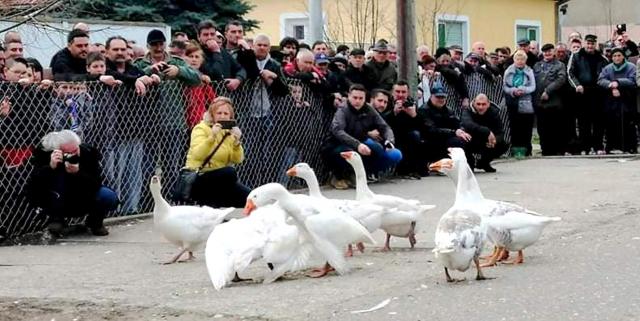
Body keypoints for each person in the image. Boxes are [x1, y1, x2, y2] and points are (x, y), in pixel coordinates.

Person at [25, 130, 117, 237]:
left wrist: (78, 173)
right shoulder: (46, 154)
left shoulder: (88, 152)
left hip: (84, 196)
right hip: (58, 199)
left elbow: (96, 184)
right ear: (58, 150)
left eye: (75, 150)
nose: (73, 154)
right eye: (68, 152)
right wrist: (50, 167)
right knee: (57, 181)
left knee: (108, 196)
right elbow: (34, 186)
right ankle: (56, 220)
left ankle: (95, 222)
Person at [323, 84, 402, 189]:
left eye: (361, 98)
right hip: (337, 145)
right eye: (355, 98)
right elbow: (338, 131)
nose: (358, 101)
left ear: (365, 99)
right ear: (349, 97)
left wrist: (389, 141)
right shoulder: (343, 110)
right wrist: (358, 145)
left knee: (387, 151)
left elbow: (385, 127)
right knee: (350, 152)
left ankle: (365, 174)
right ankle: (338, 176)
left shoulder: (369, 109)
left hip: (361, 141)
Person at [185, 97, 250, 207]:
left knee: (251, 198)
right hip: (200, 176)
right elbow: (197, 154)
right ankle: (210, 208)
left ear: (230, 116)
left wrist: (237, 142)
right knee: (229, 172)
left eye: (226, 113)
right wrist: (212, 136)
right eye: (219, 113)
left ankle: (213, 206)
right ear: (212, 115)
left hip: (220, 179)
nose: (223, 116)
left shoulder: (229, 131)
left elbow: (238, 159)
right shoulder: (201, 128)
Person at [568, 34, 609, 155]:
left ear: (595, 44)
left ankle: (598, 147)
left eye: (592, 44)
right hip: (583, 92)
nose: (590, 46)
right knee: (583, 122)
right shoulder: (576, 56)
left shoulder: (602, 58)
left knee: (598, 122)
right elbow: (570, 73)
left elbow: (607, 73)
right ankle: (584, 147)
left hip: (598, 93)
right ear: (584, 43)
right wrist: (577, 85)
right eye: (588, 43)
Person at [597, 48, 637, 153]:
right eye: (614, 56)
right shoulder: (608, 68)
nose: (617, 58)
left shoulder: (631, 67)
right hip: (611, 101)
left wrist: (618, 82)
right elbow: (601, 80)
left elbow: (633, 81)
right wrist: (611, 85)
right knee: (611, 124)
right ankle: (612, 147)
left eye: (619, 55)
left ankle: (629, 147)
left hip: (627, 100)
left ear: (623, 56)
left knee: (627, 124)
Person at [384, 81, 428, 178]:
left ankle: (415, 169)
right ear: (392, 92)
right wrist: (394, 113)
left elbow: (424, 127)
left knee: (415, 136)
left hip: (409, 136)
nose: (400, 95)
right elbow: (382, 123)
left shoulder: (412, 104)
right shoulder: (385, 102)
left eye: (403, 92)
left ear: (407, 93)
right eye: (398, 91)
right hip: (392, 137)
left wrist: (414, 116)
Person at [533, 44, 568, 156]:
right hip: (540, 103)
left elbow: (561, 79)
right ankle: (545, 150)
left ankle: (557, 150)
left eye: (549, 51)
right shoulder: (537, 65)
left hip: (554, 102)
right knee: (542, 128)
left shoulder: (560, 65)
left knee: (555, 128)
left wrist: (548, 91)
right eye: (545, 52)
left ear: (553, 52)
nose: (547, 54)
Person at [421, 83, 471, 161]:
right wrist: (454, 132)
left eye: (443, 97)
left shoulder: (448, 110)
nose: (441, 99)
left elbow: (458, 123)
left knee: (467, 138)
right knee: (457, 142)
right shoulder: (424, 110)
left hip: (446, 137)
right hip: (431, 140)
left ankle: (468, 164)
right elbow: (432, 130)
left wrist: (462, 131)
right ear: (431, 96)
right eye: (438, 97)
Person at [133, 29, 201, 86]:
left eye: (161, 44)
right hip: (147, 101)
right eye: (154, 45)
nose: (159, 48)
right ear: (147, 46)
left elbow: (197, 79)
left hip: (173, 101)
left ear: (165, 44)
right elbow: (129, 79)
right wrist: (149, 70)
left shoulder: (177, 62)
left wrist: (179, 71)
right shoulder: (139, 63)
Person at [461, 94, 507, 172]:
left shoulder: (494, 112)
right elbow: (467, 124)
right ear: (474, 103)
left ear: (488, 104)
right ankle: (470, 163)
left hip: (486, 141)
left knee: (503, 145)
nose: (481, 107)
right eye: (478, 104)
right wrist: (487, 131)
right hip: (471, 140)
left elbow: (500, 132)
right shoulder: (468, 110)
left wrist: (495, 141)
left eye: (483, 104)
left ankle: (483, 163)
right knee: (462, 141)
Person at [504, 50, 536, 156]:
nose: (520, 61)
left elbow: (533, 87)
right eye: (518, 59)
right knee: (514, 127)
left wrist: (523, 89)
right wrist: (513, 91)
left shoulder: (529, 71)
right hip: (512, 102)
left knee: (526, 127)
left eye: (522, 59)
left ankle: (527, 150)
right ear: (514, 60)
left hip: (526, 102)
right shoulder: (508, 70)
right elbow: (504, 86)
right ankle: (515, 150)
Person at [197, 20, 246, 90]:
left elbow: (241, 69)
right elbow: (216, 75)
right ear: (199, 37)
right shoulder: (197, 54)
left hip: (226, 97)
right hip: (208, 97)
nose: (209, 37)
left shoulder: (222, 51)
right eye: (205, 35)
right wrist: (216, 52)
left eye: (212, 34)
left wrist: (238, 80)